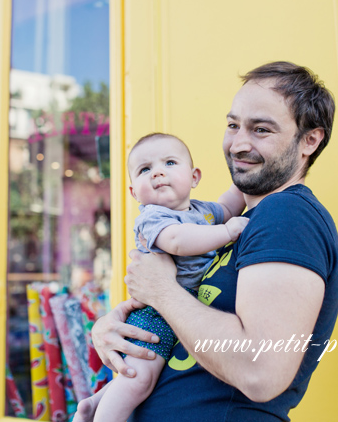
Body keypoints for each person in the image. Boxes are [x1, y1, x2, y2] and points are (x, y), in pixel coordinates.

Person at [80, 61, 338, 421]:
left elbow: (260, 370)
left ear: (309, 140)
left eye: (261, 130)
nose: (238, 144)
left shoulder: (286, 214)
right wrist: (117, 335)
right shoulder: (244, 219)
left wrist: (161, 291)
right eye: (233, 125)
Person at [75, 132, 249, 422]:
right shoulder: (153, 218)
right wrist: (227, 232)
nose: (157, 172)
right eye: (145, 169)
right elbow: (178, 241)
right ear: (134, 192)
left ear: (194, 177)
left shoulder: (204, 212)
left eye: (169, 162)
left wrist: (245, 179)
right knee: (139, 379)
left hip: (181, 310)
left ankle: (96, 403)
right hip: (155, 315)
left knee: (151, 377)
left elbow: (230, 204)